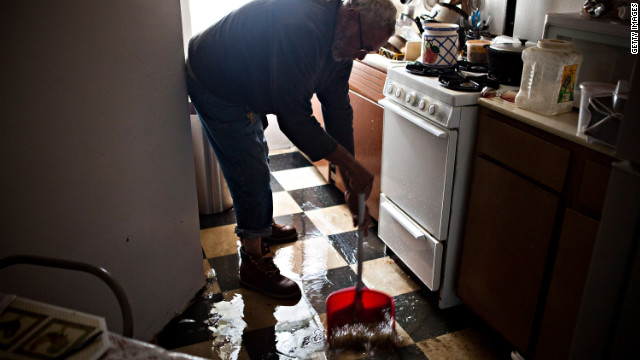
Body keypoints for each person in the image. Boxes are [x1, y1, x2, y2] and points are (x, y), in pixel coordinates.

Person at [186, 0, 396, 299]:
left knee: (257, 152)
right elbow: (294, 118)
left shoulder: (343, 42)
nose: (362, 55)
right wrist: (352, 167)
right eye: (363, 45)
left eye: (370, 51)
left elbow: (337, 109)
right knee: (250, 169)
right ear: (349, 17)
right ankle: (254, 262)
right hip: (216, 76)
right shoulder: (303, 26)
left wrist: (350, 183)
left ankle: (260, 223)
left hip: (247, 76)